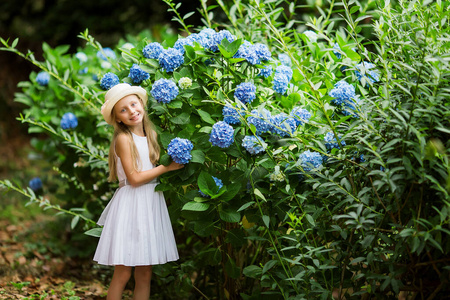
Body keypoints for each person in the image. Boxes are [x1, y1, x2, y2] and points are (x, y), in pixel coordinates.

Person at [93, 83, 184, 300]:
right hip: (131, 206)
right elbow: (133, 178)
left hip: (150, 203)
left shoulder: (151, 134)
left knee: (145, 272)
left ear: (141, 104)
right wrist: (167, 168)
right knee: (123, 271)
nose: (132, 111)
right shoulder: (124, 139)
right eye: (123, 110)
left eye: (133, 104)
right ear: (118, 119)